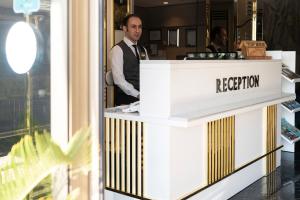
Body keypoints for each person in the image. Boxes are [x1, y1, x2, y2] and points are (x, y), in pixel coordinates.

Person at [109, 14, 149, 106]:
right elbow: (119, 80)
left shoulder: (143, 50)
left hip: (144, 97)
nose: (137, 31)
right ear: (125, 29)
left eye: (140, 27)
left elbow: (148, 74)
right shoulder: (118, 50)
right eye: (133, 27)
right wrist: (138, 94)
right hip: (126, 99)